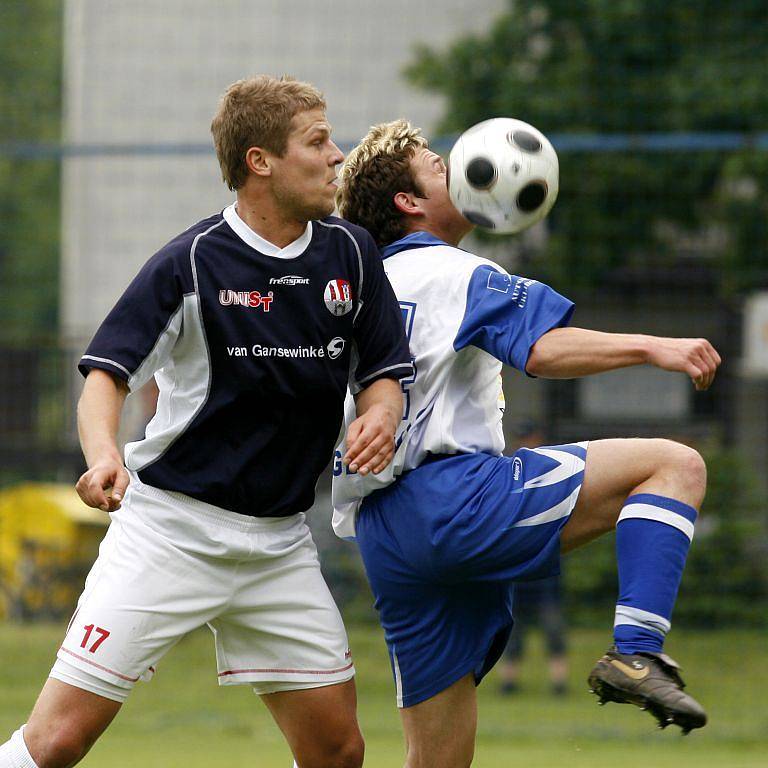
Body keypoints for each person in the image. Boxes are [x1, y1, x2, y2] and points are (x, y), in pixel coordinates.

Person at [0, 77, 413, 768]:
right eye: (317, 141)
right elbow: (106, 375)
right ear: (261, 161)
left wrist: (384, 415)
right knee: (59, 742)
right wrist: (105, 455)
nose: (338, 155)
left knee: (337, 751)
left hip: (278, 544)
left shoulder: (350, 254)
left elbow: (384, 373)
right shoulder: (190, 263)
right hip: (169, 532)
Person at [331, 120, 720, 767]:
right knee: (674, 464)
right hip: (455, 501)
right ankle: (636, 650)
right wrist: (652, 345)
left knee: (438, 761)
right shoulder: (454, 271)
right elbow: (540, 349)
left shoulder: (356, 289)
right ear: (409, 203)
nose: (456, 168)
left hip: (385, 531)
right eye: (436, 165)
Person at [498, 422, 569, 697]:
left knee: (553, 630)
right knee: (514, 632)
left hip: (544, 571)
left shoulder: (552, 469)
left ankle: (559, 682)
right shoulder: (511, 471)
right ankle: (509, 682)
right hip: (518, 571)